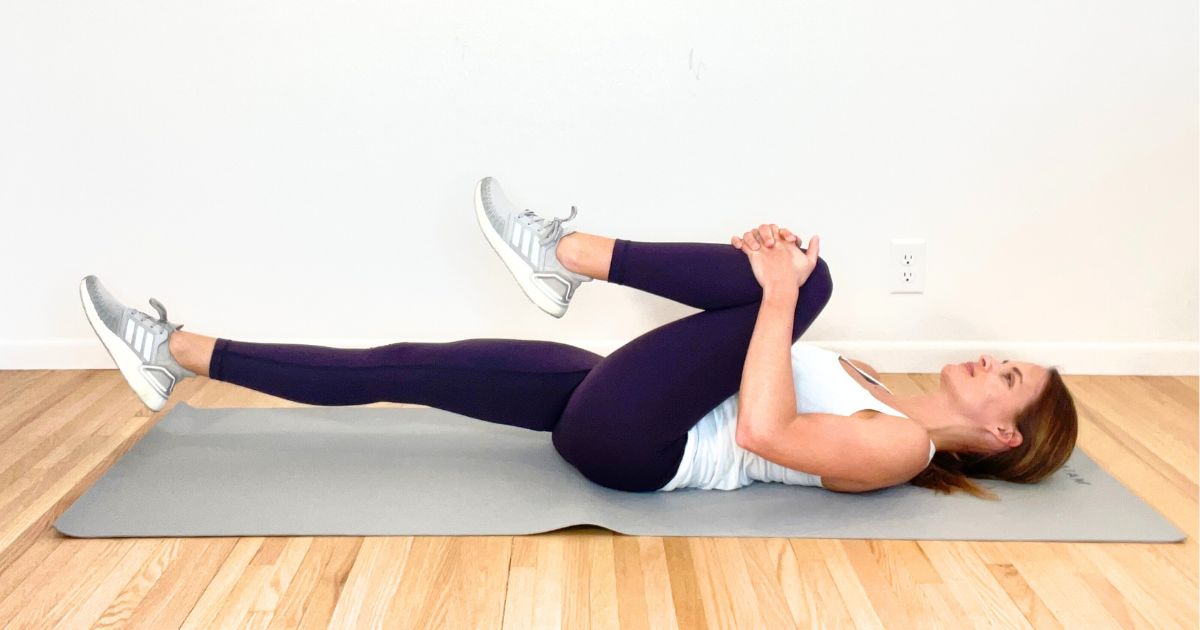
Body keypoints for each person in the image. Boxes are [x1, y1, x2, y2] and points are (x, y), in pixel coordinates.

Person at [79, 178, 1077, 498]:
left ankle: (560, 250)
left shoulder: (901, 451)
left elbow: (767, 430)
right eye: (1008, 355)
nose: (995, 359)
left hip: (645, 447)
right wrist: (762, 277)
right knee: (409, 366)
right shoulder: (870, 380)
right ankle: (172, 354)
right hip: (621, 395)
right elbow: (747, 348)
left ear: (1002, 436)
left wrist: (776, 293)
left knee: (812, 284)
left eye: (1012, 378)